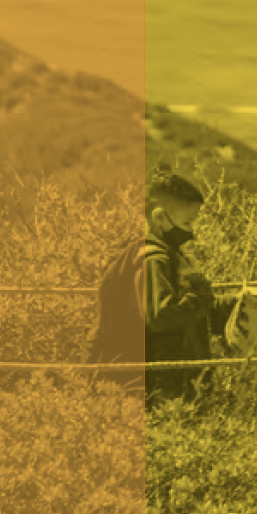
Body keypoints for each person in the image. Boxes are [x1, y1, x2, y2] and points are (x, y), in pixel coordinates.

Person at [85, 165, 239, 403]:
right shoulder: (153, 260)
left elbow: (188, 313)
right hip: (147, 392)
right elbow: (161, 316)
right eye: (187, 223)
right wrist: (203, 296)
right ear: (159, 218)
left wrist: (235, 305)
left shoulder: (165, 255)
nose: (192, 232)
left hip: (158, 388)